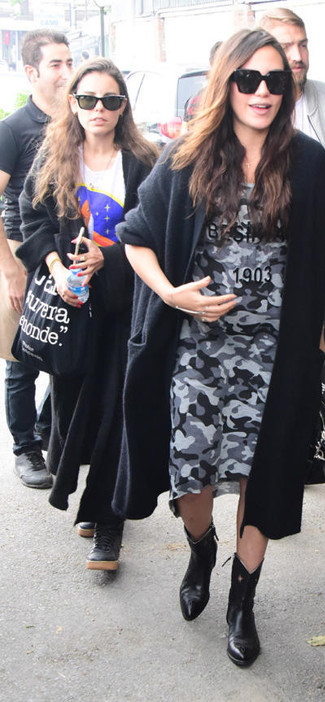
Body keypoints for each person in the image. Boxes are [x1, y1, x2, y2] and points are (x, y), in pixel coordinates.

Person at [112, 29, 325, 665]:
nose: (262, 92)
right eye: (248, 79)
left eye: (275, 81)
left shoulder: (307, 159)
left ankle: (242, 599)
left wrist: (318, 346)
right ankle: (202, 546)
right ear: (226, 83)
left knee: (262, 473)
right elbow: (135, 236)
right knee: (191, 468)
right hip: (198, 348)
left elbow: (317, 258)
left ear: (287, 90)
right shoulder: (187, 156)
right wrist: (171, 294)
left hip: (276, 353)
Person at [17, 58, 158, 570]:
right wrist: (56, 268)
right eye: (88, 99)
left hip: (123, 309)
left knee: (117, 412)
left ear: (123, 107)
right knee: (75, 409)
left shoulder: (143, 162)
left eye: (110, 100)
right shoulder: (55, 155)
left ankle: (108, 520)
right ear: (74, 103)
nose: (99, 109)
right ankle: (92, 499)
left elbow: (156, 232)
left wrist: (109, 258)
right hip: (72, 310)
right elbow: (30, 218)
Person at [258, 7, 325, 394]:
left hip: (320, 256)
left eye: (303, 45)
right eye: (287, 46)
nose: (298, 56)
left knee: (322, 357)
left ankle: (313, 419)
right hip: (263, 259)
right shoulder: (253, 103)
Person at [0, 29, 73, 489]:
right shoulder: (13, 129)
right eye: (55, 64)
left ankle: (49, 430)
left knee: (66, 349)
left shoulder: (78, 118)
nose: (67, 72)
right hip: (22, 254)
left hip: (64, 255)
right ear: (31, 72)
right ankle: (25, 448)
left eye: (70, 62)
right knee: (22, 356)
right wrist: (10, 268)